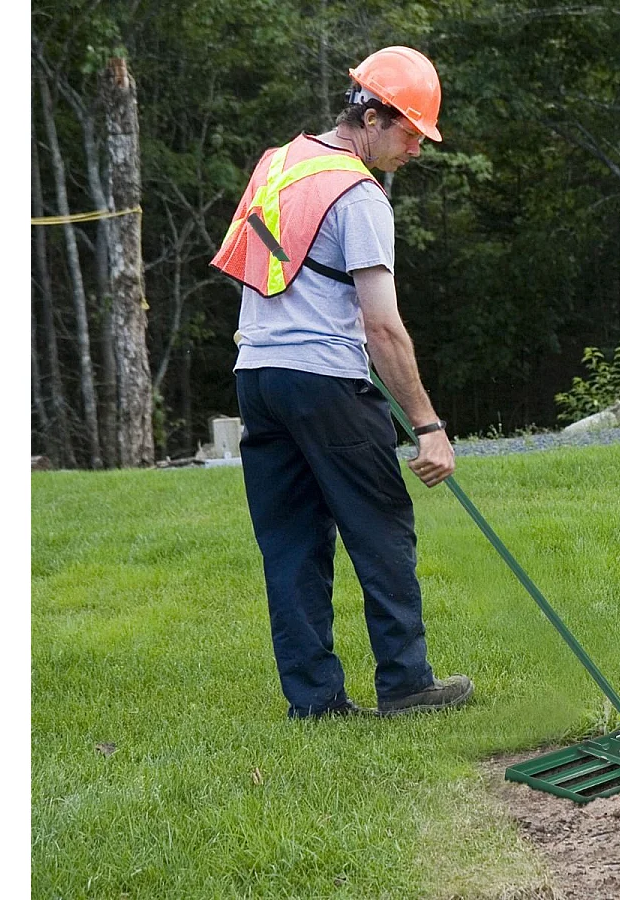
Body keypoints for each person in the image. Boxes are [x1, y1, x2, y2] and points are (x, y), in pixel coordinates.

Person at [210, 46, 473, 719]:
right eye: (411, 132)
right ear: (373, 113)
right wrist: (428, 425)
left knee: (290, 542)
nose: (416, 149)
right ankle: (407, 685)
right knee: (381, 529)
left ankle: (316, 702)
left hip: (257, 378)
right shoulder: (359, 195)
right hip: (324, 381)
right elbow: (382, 328)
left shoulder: (280, 163)